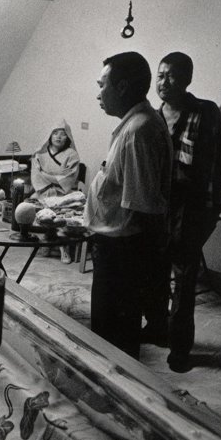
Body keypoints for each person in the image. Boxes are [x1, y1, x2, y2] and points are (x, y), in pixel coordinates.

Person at [84, 51, 172, 360]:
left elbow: (143, 207)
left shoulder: (139, 130)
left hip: (123, 254)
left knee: (113, 342)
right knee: (107, 334)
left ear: (121, 87)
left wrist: (144, 275)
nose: (98, 94)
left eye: (102, 85)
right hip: (116, 249)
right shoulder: (134, 123)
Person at [142, 52, 221, 373]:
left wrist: (211, 209)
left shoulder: (206, 113)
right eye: (160, 75)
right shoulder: (152, 116)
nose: (164, 82)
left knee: (184, 278)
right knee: (154, 271)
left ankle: (180, 348)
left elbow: (215, 164)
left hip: (191, 207)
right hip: (157, 206)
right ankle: (156, 327)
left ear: (187, 79)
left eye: (172, 75)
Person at [30, 120, 81, 263]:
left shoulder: (72, 154)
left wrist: (45, 175)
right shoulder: (40, 153)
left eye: (63, 134)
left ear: (68, 137)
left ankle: (63, 247)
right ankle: (45, 240)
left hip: (63, 193)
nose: (58, 137)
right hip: (43, 191)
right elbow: (36, 175)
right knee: (28, 208)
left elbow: (69, 178)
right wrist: (55, 178)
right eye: (55, 133)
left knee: (62, 213)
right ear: (50, 135)